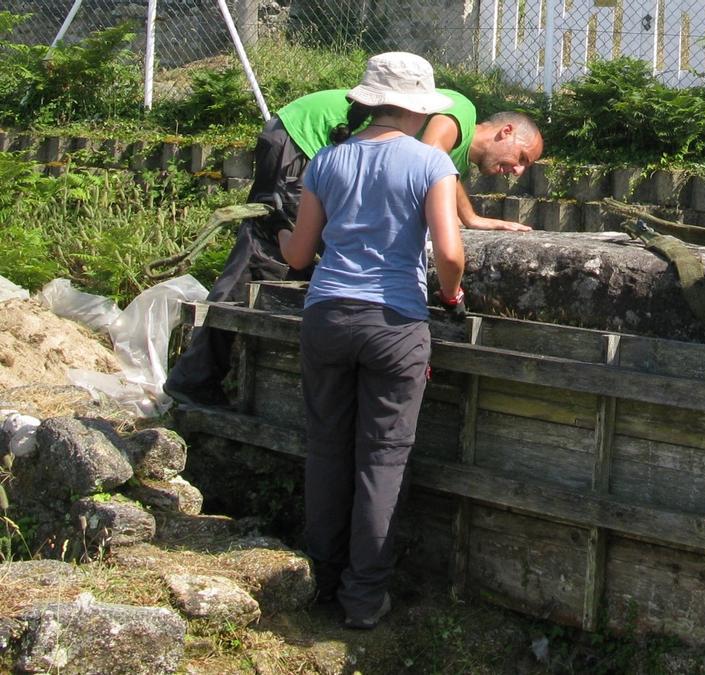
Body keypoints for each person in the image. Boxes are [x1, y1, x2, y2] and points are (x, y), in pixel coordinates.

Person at [164, 83, 543, 408]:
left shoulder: (451, 150)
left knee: (300, 262)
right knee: (267, 257)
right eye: (522, 158)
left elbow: (438, 166)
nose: (518, 171)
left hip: (315, 149)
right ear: (505, 131)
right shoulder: (459, 110)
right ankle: (195, 377)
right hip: (303, 140)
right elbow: (425, 158)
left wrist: (470, 218)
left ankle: (221, 375)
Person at [280, 51, 465, 629]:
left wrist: (281, 231)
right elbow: (451, 255)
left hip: (327, 317)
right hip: (395, 324)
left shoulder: (328, 161)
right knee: (382, 459)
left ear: (368, 100)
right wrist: (452, 297)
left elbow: (299, 256)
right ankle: (364, 599)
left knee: (327, 449)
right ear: (418, 108)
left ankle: (323, 580)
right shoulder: (430, 164)